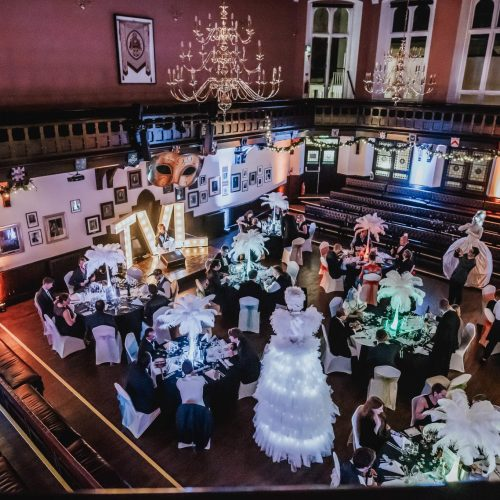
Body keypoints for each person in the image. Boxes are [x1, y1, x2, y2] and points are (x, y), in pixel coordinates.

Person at [254, 287, 339, 470]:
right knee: (305, 397)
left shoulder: (281, 318)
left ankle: (285, 437)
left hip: (285, 357)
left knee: (282, 396)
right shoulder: (310, 317)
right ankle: (302, 440)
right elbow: (305, 335)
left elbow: (284, 335)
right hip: (304, 359)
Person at [443, 210, 493, 289]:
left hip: (475, 244)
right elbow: (459, 229)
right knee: (458, 260)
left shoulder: (480, 228)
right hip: (466, 242)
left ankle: (467, 281)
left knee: (471, 263)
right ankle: (457, 278)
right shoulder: (470, 224)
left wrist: (470, 232)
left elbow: (479, 237)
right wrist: (466, 226)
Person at [428, 299, 460, 376]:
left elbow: (444, 334)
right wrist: (434, 317)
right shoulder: (452, 314)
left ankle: (438, 376)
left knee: (442, 363)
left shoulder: (450, 317)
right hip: (449, 342)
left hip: (446, 345)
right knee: (444, 362)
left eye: (441, 310)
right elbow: (444, 319)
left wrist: (433, 338)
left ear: (442, 307)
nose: (441, 312)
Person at [481, 297, 500, 362]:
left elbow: (494, 311)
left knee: (492, 343)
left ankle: (484, 357)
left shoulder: (499, 302)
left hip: (497, 324)